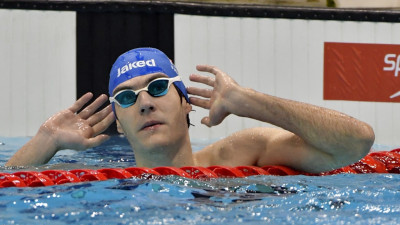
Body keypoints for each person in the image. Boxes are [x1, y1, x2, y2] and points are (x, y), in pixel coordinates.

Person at [6, 47, 375, 173]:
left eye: (157, 87)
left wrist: (249, 102)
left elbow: (355, 142)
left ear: (185, 101)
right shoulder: (106, 179)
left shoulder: (242, 152)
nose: (146, 102)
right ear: (118, 120)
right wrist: (48, 140)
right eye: (127, 98)